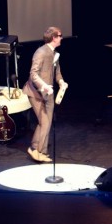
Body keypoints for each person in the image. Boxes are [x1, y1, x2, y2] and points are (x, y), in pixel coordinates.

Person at [23, 26, 68, 163]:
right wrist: (43, 86)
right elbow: (33, 74)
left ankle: (37, 149)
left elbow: (57, 72)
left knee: (46, 123)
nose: (61, 37)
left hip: (48, 93)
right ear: (53, 38)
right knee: (45, 122)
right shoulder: (41, 52)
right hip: (35, 92)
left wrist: (61, 82)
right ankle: (36, 150)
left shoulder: (55, 54)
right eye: (59, 35)